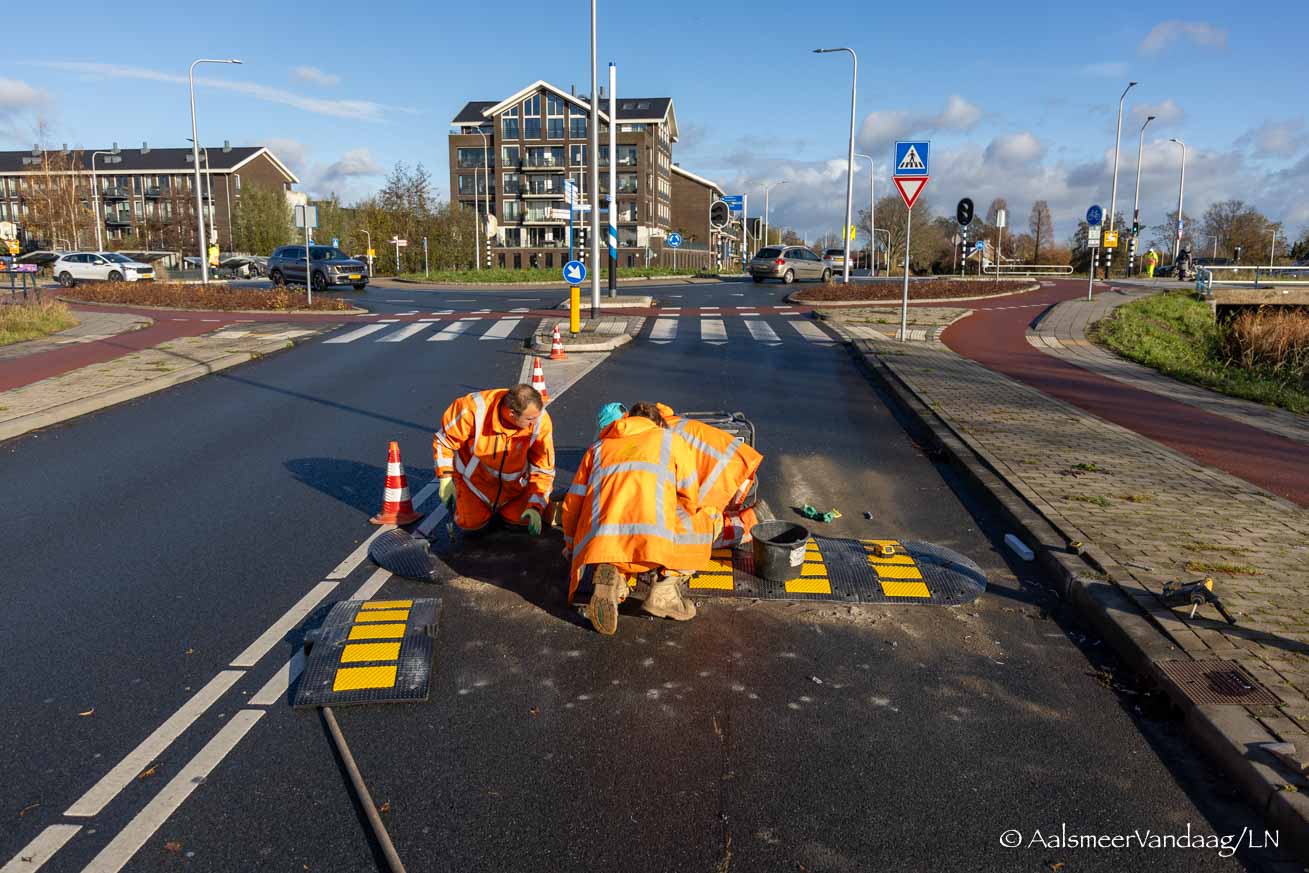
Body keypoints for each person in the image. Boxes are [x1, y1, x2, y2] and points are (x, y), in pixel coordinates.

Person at [562, 401, 722, 635]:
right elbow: (690, 496)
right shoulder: (671, 441)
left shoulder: (598, 448)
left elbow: (572, 503)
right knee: (708, 517)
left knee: (620, 543)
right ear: (657, 423)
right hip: (649, 537)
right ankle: (664, 591)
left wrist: (570, 545)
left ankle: (615, 575)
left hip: (601, 541)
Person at [433, 384, 554, 536]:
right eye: (529, 419)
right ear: (511, 413)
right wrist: (445, 478)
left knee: (522, 521)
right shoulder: (472, 409)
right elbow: (444, 442)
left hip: (514, 489)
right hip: (474, 485)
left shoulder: (540, 420)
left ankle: (509, 512)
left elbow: (543, 469)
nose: (534, 423)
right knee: (471, 526)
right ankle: (473, 510)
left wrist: (536, 506)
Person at [654, 403, 762, 548]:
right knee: (704, 519)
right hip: (737, 463)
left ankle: (751, 523)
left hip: (723, 474)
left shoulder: (655, 438)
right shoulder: (666, 422)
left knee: (699, 529)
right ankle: (750, 518)